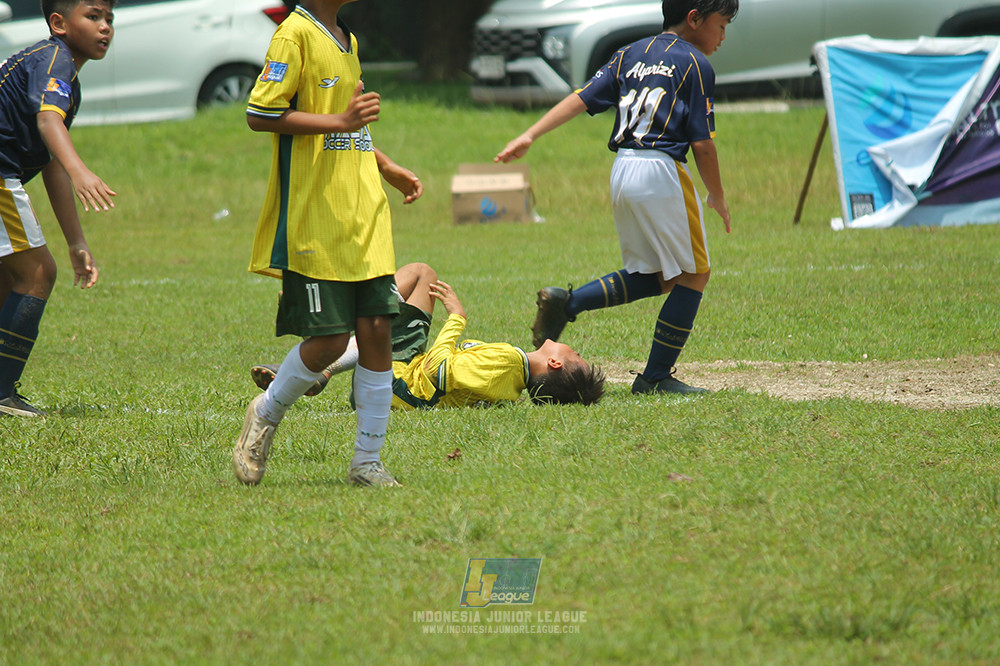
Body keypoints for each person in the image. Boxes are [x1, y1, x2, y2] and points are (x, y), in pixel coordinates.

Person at [495, 0, 737, 395]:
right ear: (695, 19)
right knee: (695, 274)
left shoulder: (629, 53)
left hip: (623, 169)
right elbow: (702, 144)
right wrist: (717, 195)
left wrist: (530, 134)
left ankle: (568, 303)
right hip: (661, 171)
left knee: (658, 275)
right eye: (722, 25)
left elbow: (582, 97)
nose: (723, 36)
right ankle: (655, 377)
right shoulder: (695, 64)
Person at [233, 0, 423, 487]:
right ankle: (265, 413)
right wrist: (341, 122)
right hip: (317, 217)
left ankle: (366, 463)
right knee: (331, 341)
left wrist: (384, 165)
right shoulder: (292, 35)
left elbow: (345, 125)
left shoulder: (349, 39)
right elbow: (260, 113)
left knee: (379, 328)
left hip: (365, 213)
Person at [249, 263, 606, 409]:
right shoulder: (509, 381)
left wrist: (457, 319)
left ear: (556, 362)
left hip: (389, 383)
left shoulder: (509, 365)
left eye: (574, 352)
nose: (571, 345)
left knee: (392, 304)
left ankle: (320, 350)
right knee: (421, 276)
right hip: (401, 373)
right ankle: (321, 365)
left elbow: (438, 371)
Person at [0, 0, 117, 417]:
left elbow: (50, 161)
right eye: (94, 16)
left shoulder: (57, 68)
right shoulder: (56, 61)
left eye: (109, 19)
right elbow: (50, 125)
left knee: (8, 278)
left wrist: (76, 240)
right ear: (59, 23)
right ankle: (1, 393)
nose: (105, 27)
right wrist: (82, 171)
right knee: (37, 273)